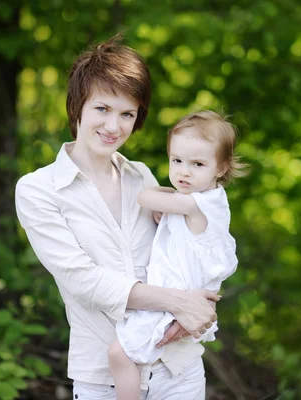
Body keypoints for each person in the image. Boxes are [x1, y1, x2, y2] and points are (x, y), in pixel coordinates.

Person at [15, 34, 219, 400]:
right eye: (103, 109)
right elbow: (84, 280)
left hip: (178, 367)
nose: (114, 126)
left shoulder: (141, 176)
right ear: (78, 106)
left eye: (127, 114)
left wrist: (199, 305)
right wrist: (177, 301)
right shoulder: (38, 189)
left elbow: (189, 246)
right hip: (103, 378)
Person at [108, 110, 248, 400]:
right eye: (177, 160)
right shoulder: (205, 199)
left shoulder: (196, 204)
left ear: (220, 168)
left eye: (197, 164)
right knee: (130, 356)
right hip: (180, 298)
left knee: (119, 354)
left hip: (173, 301)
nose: (184, 171)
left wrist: (166, 196)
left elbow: (144, 197)